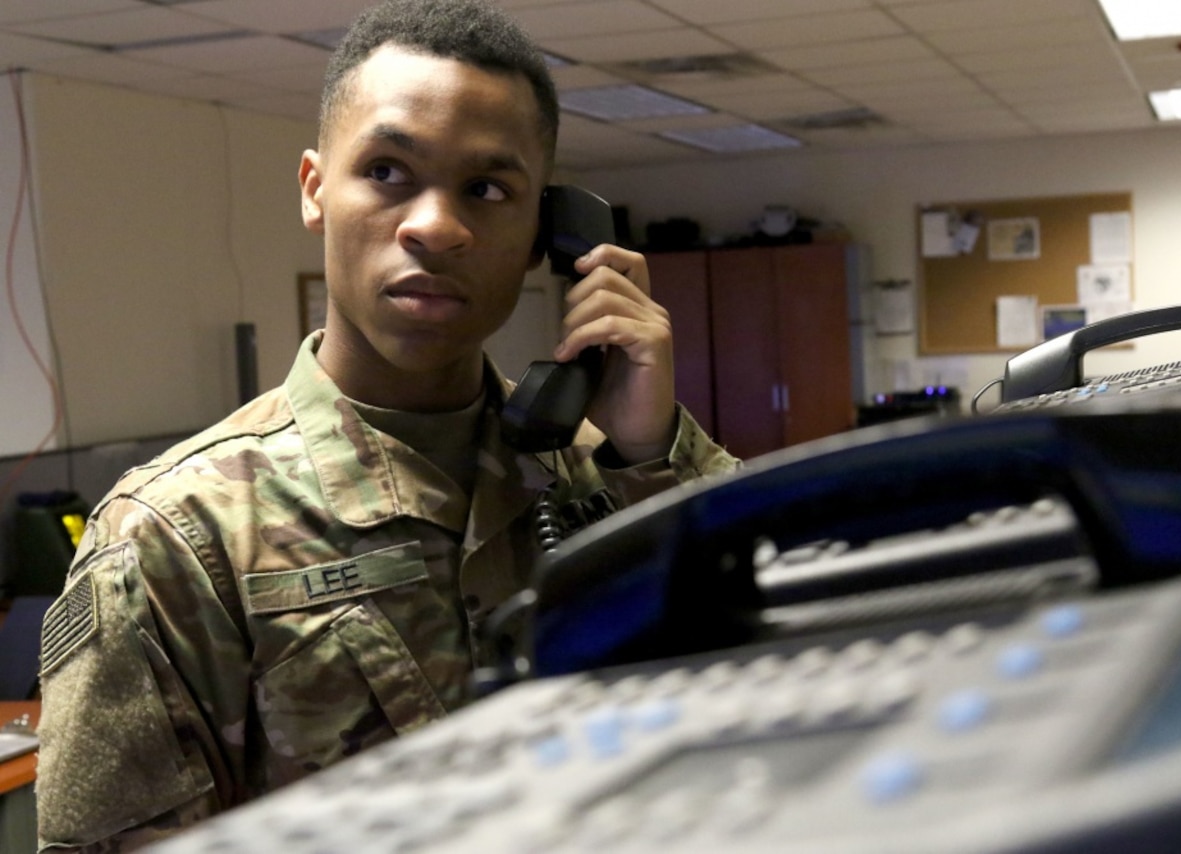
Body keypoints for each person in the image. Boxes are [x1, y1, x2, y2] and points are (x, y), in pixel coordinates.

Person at [34, 1, 738, 849]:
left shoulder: (606, 475)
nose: (435, 226)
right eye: (388, 171)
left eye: (487, 188)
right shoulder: (174, 539)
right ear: (315, 190)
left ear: (544, 234)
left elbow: (789, 701)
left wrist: (651, 450)